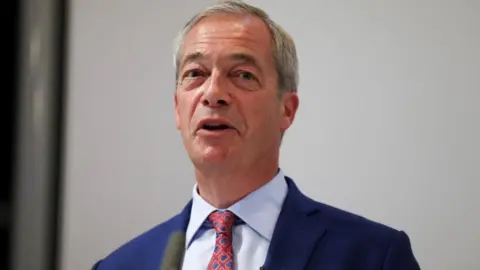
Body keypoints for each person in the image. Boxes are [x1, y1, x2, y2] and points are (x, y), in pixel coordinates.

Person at [92, 1, 421, 269]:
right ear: (178, 108)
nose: (213, 93)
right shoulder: (121, 265)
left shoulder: (374, 256)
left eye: (243, 75)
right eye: (195, 74)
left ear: (287, 110)